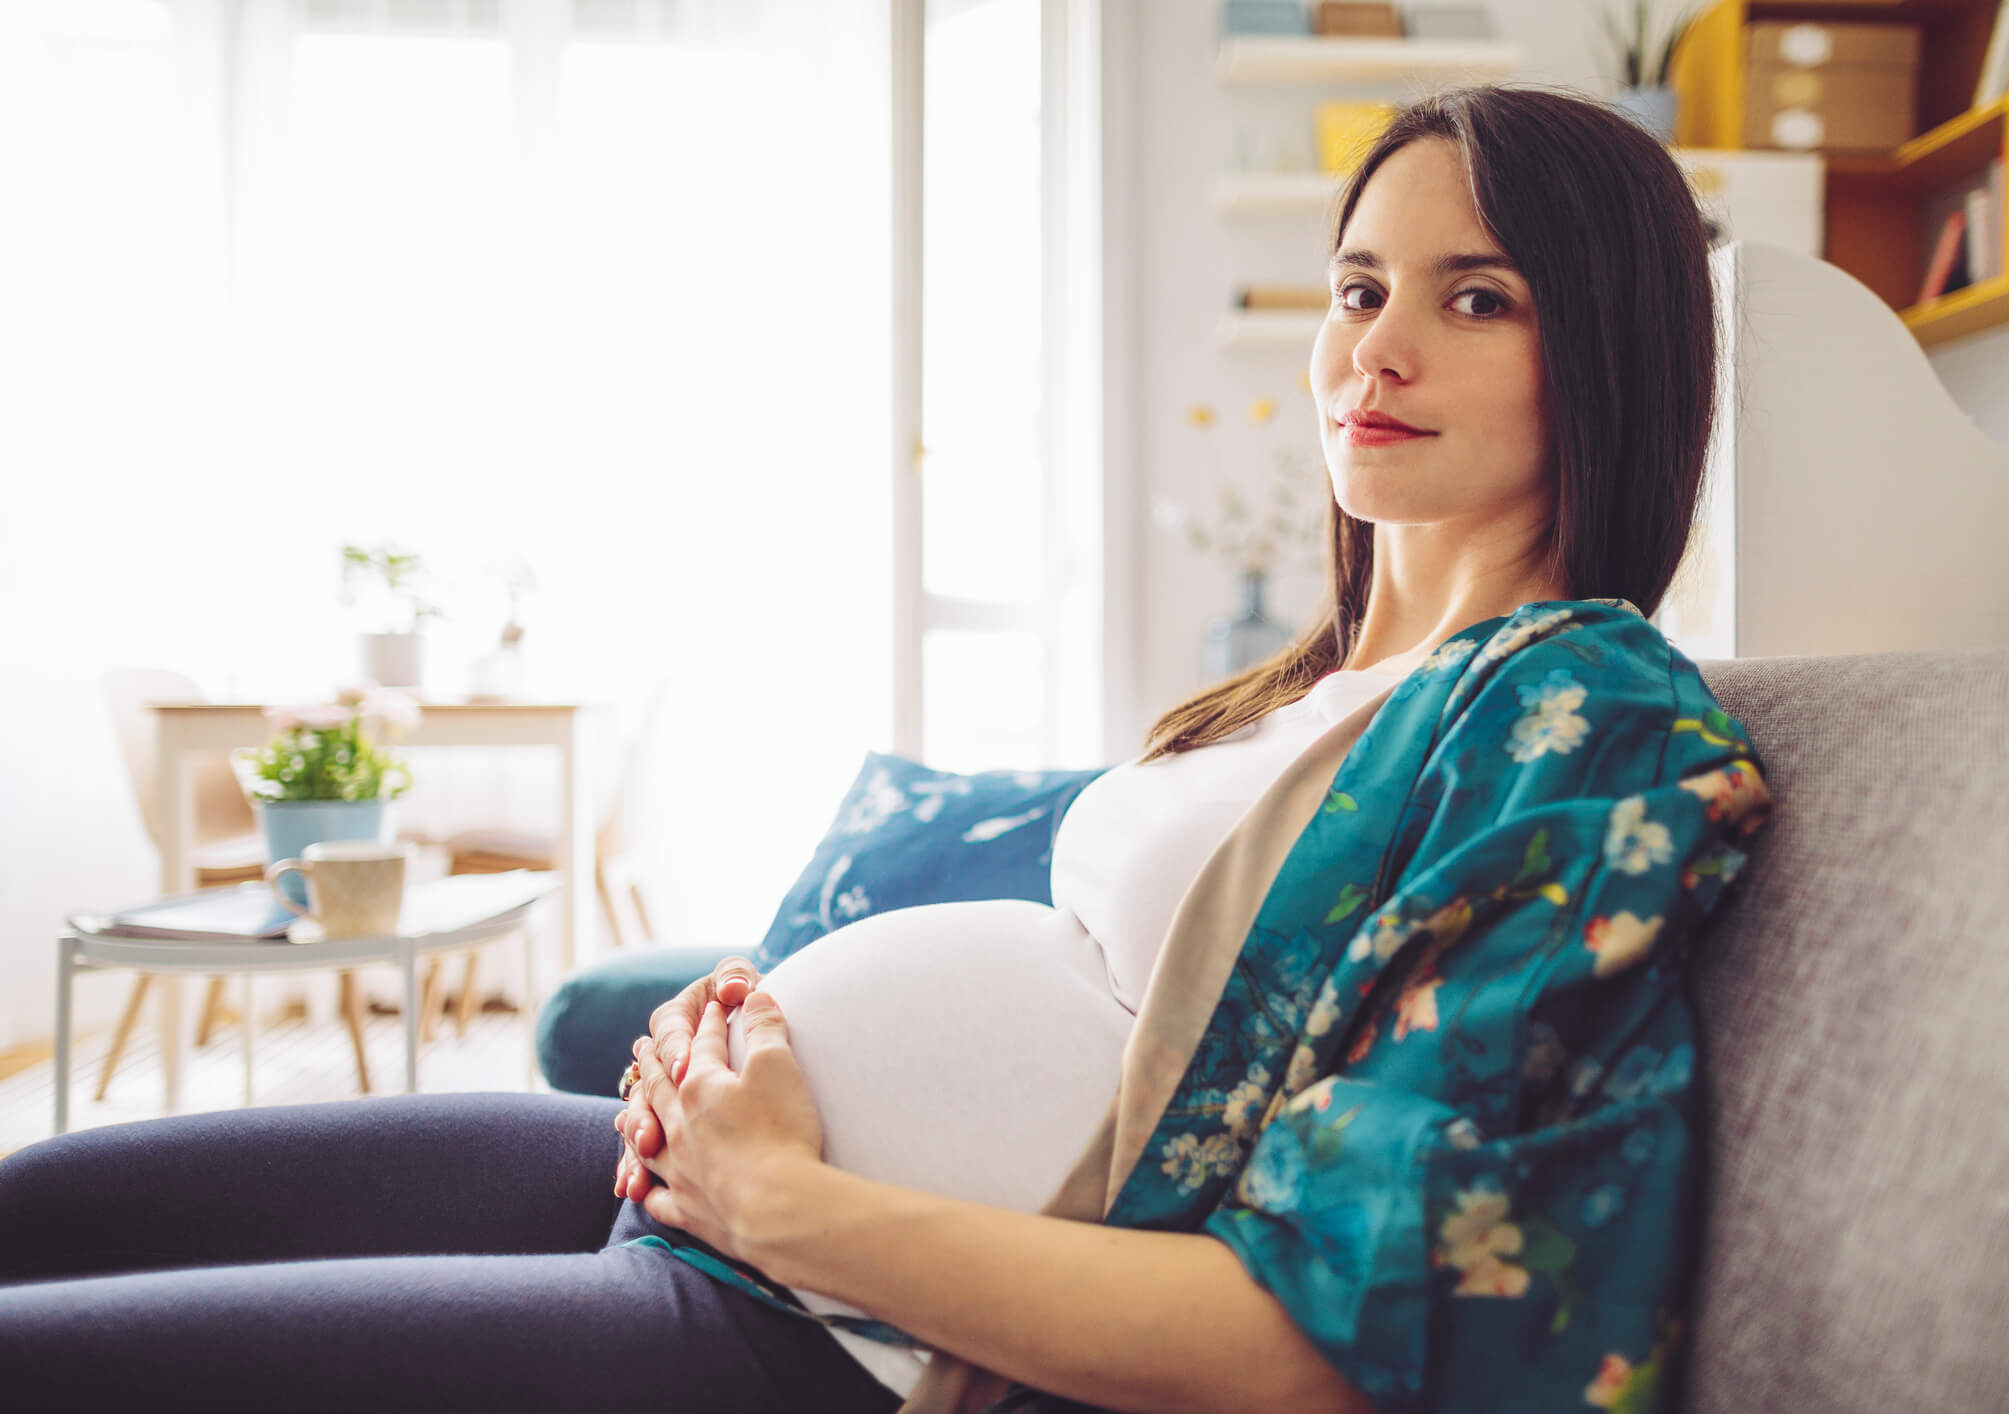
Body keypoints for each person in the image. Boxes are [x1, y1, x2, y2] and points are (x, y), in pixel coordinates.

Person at [0, 83, 1773, 1414]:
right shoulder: (1299, 690)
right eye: (1356, 283)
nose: (1372, 347)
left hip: (822, 1335)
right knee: (41, 1209)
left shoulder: (1582, 717)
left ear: (1608, 349)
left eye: (1477, 298)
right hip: (696, 1202)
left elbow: (1328, 1335)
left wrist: (785, 1197)